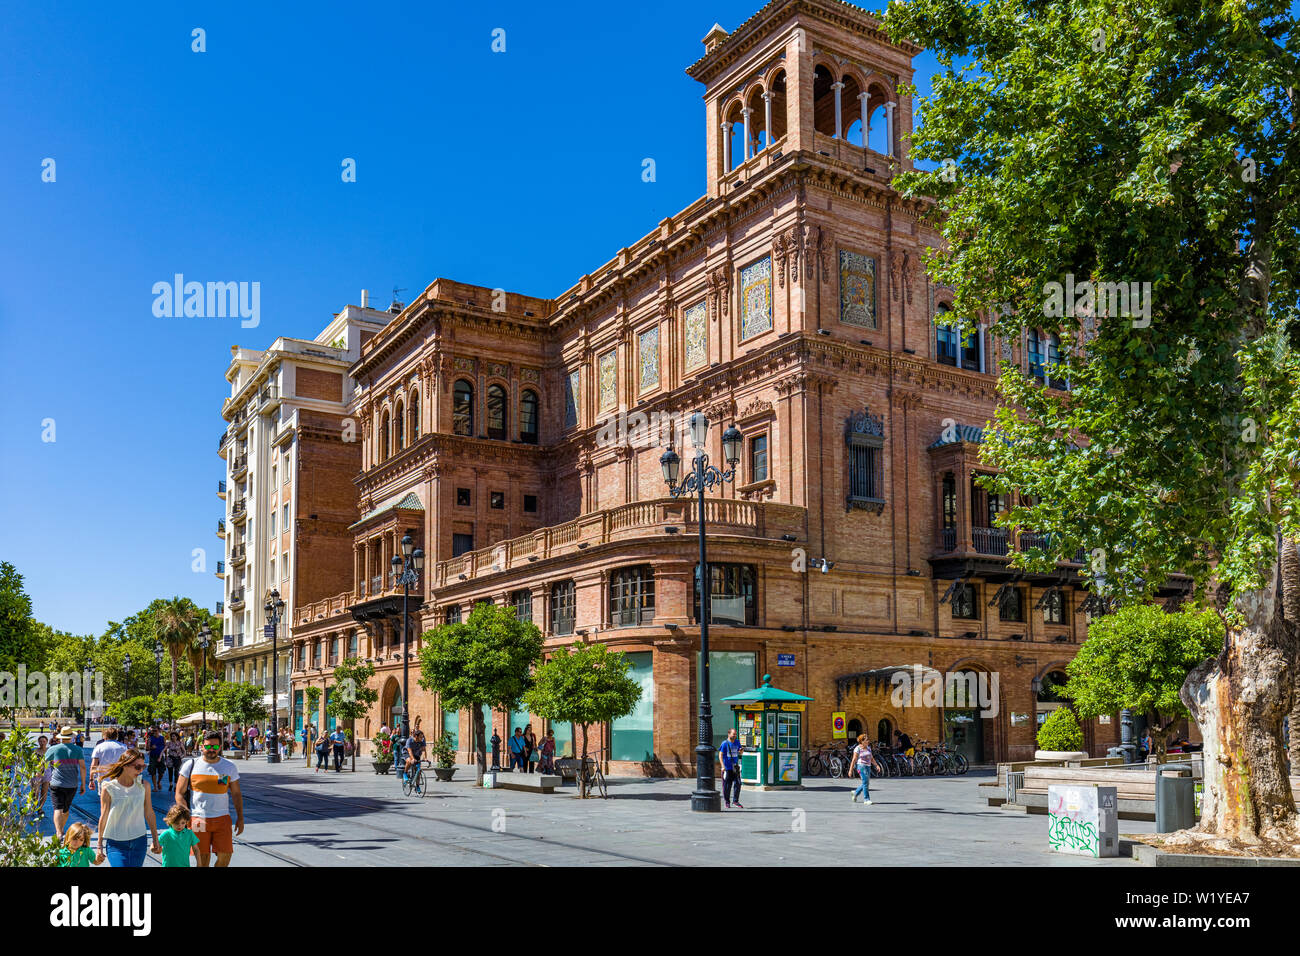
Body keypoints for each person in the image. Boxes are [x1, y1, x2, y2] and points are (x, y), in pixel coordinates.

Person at [176, 730, 243, 867]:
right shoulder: (190, 765)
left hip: (222, 818)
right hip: (198, 819)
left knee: (225, 855)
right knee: (202, 860)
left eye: (215, 746)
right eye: (208, 746)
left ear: (220, 747)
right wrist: (187, 816)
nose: (211, 749)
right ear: (202, 746)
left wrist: (240, 818)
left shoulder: (229, 766)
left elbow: (236, 794)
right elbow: (179, 793)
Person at [95, 750, 161, 867]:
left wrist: (155, 839)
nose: (141, 770)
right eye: (137, 767)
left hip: (139, 841)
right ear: (125, 765)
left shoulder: (144, 786)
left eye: (143, 766)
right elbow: (103, 816)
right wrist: (99, 846)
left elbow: (149, 813)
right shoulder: (109, 787)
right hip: (116, 843)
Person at [46, 727, 86, 840]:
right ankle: (61, 830)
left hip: (56, 783)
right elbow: (83, 767)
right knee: (66, 809)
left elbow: (43, 764)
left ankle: (59, 832)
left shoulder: (53, 749)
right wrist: (83, 784)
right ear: (71, 737)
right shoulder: (78, 750)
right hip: (72, 784)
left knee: (57, 808)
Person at [158, 803, 200, 868]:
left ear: (186, 821)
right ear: (170, 821)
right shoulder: (166, 834)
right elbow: (155, 844)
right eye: (176, 823)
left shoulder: (189, 833)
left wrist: (199, 863)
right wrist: (153, 848)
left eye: (183, 823)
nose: (180, 825)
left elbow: (196, 849)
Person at [88, 727, 127, 792]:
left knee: (104, 800)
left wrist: (91, 779)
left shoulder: (99, 747)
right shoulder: (123, 747)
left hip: (103, 779)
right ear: (116, 736)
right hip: (119, 778)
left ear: (105, 736)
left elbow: (93, 765)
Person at [718, 727, 744, 809]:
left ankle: (735, 801)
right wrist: (722, 766)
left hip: (735, 767)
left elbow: (740, 753)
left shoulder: (737, 742)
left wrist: (741, 751)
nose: (735, 735)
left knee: (738, 783)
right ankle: (727, 802)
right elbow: (720, 755)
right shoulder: (725, 743)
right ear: (729, 734)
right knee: (727, 786)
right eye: (733, 734)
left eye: (736, 734)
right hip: (727, 768)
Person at [851, 733, 873, 805]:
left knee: (866, 783)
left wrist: (877, 765)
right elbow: (854, 759)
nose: (868, 741)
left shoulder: (868, 748)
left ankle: (856, 792)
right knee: (866, 783)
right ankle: (866, 799)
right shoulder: (857, 748)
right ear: (862, 741)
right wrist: (850, 770)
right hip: (861, 766)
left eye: (868, 739)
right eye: (867, 740)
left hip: (868, 766)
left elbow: (871, 758)